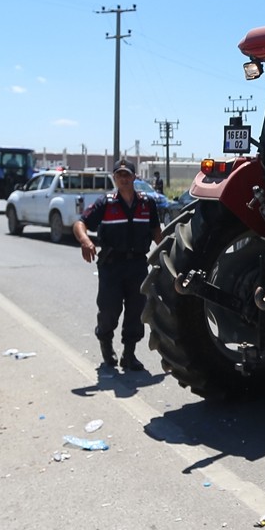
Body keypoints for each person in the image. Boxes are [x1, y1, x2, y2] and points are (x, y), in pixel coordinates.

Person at [73, 158, 164, 371]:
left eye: (127, 174)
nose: (123, 178)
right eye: (119, 175)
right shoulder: (106, 203)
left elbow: (156, 232)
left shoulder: (146, 203)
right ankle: (106, 346)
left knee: (136, 311)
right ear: (114, 178)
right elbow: (80, 223)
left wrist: (170, 252)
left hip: (138, 266)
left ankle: (129, 355)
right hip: (111, 266)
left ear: (134, 177)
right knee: (109, 310)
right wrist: (85, 240)